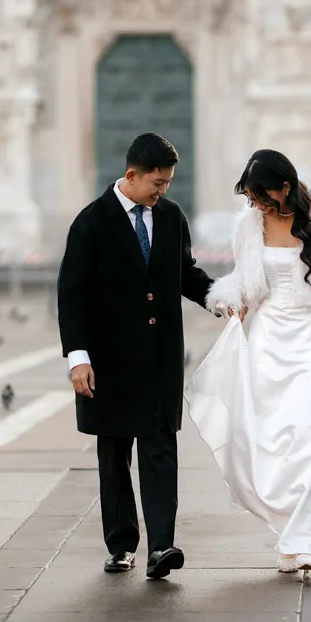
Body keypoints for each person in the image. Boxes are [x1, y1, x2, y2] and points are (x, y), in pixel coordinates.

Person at [185, 149, 311, 574]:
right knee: (269, 440)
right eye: (251, 197)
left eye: (262, 195)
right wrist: (229, 297)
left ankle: (305, 541)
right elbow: (247, 280)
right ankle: (285, 528)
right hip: (268, 340)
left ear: (286, 187)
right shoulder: (248, 226)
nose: (256, 203)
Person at [57, 133, 214, 579]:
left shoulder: (170, 217)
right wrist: (78, 358)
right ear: (131, 175)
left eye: (168, 183)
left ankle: (162, 546)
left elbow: (185, 273)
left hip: (161, 360)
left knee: (161, 450)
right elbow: (71, 297)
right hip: (108, 364)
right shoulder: (91, 222)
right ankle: (121, 544)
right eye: (157, 182)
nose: (163, 190)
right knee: (114, 456)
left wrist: (220, 298)